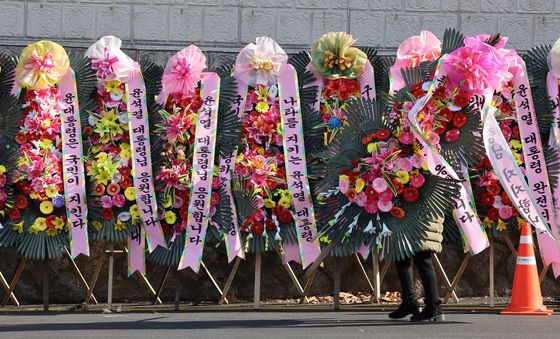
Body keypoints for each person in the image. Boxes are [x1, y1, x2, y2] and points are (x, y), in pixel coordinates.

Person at [388, 218, 445, 322]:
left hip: (420, 215)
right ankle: (410, 301)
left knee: (423, 259)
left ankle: (433, 306)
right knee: (401, 256)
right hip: (409, 216)